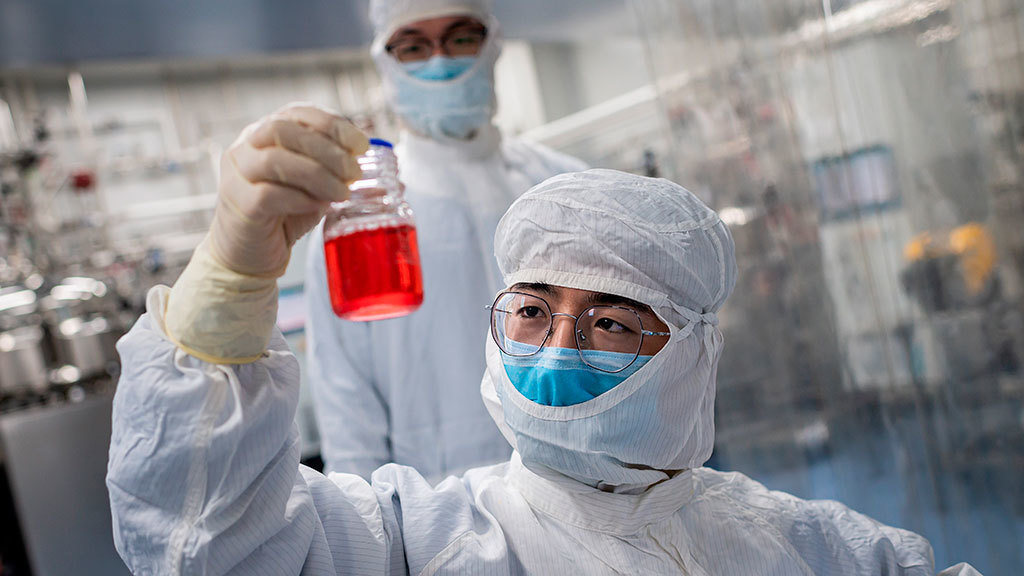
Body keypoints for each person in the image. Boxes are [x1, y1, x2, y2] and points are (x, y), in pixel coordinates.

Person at [107, 106, 979, 575]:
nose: (557, 350)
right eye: (531, 310)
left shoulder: (820, 551)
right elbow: (212, 548)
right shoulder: (419, 543)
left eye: (611, 321)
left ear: (690, 355)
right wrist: (226, 288)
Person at [303, 0, 587, 480]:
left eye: (460, 38)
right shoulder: (360, 221)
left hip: (578, 484)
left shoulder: (569, 188)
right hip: (434, 506)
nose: (440, 61)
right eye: (413, 46)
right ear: (386, 61)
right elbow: (345, 401)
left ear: (491, 43)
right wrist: (364, 517)